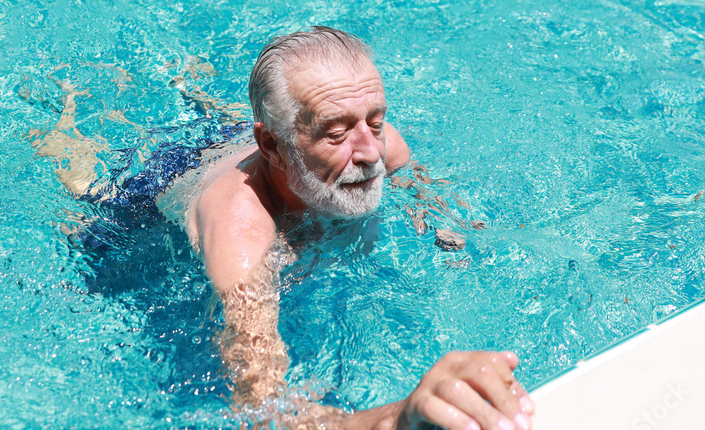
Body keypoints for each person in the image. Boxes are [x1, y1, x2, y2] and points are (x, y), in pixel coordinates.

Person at [30, 27, 535, 430]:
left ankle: (203, 95)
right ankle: (54, 125)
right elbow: (261, 411)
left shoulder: (374, 141)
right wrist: (398, 419)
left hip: (254, 142)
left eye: (375, 121)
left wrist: (448, 233)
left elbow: (418, 184)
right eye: (337, 133)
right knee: (86, 189)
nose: (371, 152)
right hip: (145, 203)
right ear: (271, 147)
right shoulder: (240, 228)